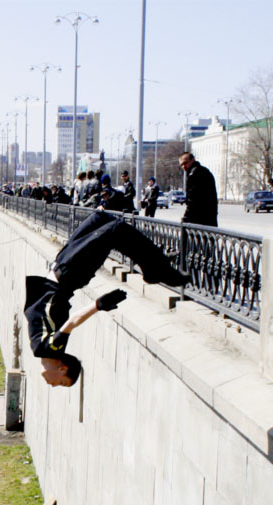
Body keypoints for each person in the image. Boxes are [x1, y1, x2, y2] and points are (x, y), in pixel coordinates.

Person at [24, 210, 190, 388]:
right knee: (115, 230)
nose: (53, 385)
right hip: (70, 272)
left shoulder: (42, 349)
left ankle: (156, 262)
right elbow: (71, 323)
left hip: (63, 268)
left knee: (100, 218)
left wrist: (97, 305)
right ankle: (157, 268)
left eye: (59, 384)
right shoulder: (50, 349)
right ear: (62, 369)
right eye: (61, 383)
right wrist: (97, 305)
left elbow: (67, 320)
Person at [179, 152, 218, 227]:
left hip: (199, 219)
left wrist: (186, 216)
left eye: (185, 163)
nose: (184, 166)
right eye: (182, 165)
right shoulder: (204, 171)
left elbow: (192, 198)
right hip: (209, 217)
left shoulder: (194, 174)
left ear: (192, 160)